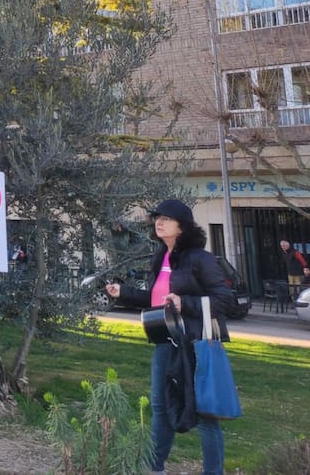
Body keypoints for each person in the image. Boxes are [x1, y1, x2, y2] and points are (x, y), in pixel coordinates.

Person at [106, 198, 233, 475]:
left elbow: (225, 300)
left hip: (195, 345)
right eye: (157, 218)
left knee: (204, 412)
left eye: (166, 218)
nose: (159, 222)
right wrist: (124, 292)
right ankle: (154, 467)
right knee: (161, 406)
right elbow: (157, 301)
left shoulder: (201, 258)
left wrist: (185, 303)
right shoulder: (160, 256)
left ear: (183, 226)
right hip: (165, 343)